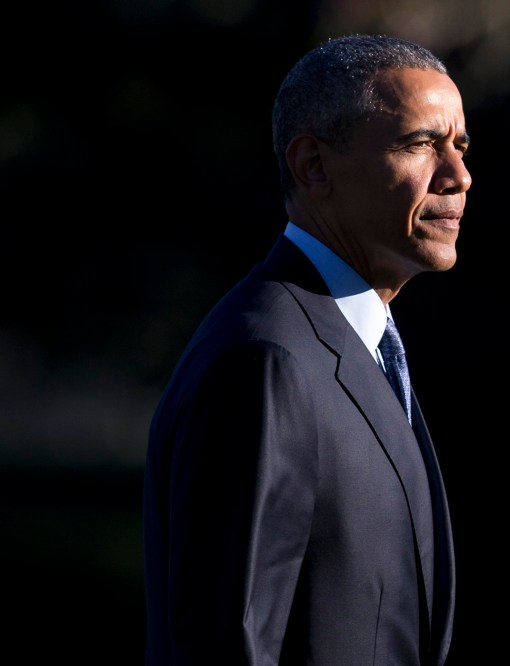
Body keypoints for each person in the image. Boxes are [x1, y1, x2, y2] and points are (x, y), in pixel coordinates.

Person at [142, 34, 471, 665]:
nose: (459, 175)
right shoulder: (267, 361)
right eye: (421, 144)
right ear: (313, 165)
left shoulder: (357, 347)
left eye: (459, 146)